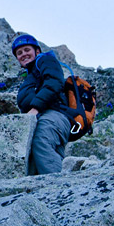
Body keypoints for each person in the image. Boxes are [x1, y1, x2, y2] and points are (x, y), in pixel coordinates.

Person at [12, 34, 71, 175]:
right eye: (19, 53)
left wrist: (35, 108)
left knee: (40, 141)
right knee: (34, 155)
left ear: (37, 51)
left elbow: (54, 83)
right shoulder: (30, 77)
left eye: (27, 50)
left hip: (55, 114)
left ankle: (60, 188)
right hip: (43, 117)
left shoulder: (46, 60)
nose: (23, 54)